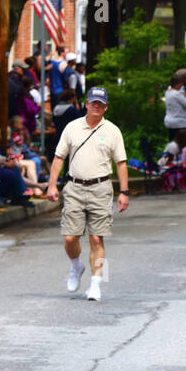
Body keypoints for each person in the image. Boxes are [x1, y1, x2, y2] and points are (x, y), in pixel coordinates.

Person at [45, 87, 129, 302]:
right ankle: (76, 266)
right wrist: (52, 185)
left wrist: (124, 192)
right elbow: (58, 158)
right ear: (86, 104)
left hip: (101, 188)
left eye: (100, 103)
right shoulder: (72, 128)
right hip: (74, 187)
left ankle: (96, 283)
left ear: (105, 107)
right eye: (93, 102)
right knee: (70, 237)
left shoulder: (112, 131)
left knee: (96, 238)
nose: (96, 106)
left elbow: (121, 163)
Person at [163, 74, 186, 150]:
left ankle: (171, 160)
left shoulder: (167, 92)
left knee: (172, 143)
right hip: (180, 123)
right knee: (181, 145)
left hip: (170, 122)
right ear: (178, 84)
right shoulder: (177, 94)